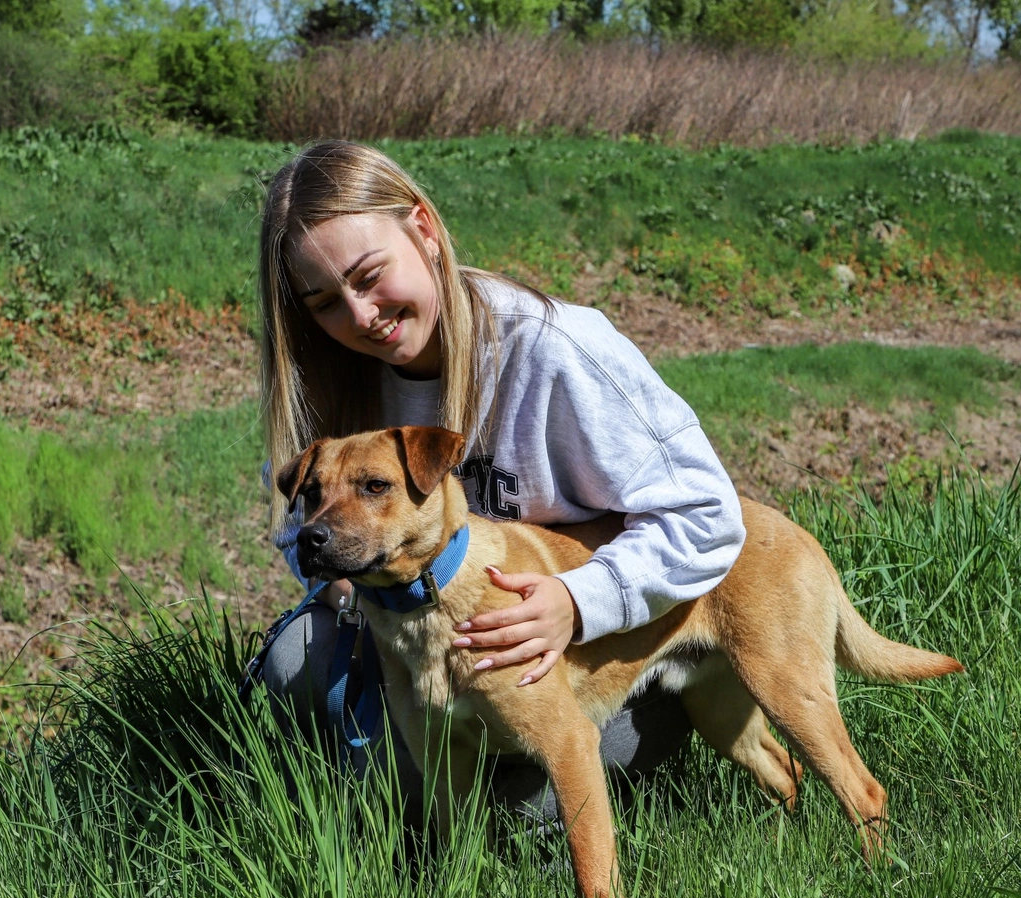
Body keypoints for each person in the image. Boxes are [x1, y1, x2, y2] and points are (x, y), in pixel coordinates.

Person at [255, 140, 746, 819]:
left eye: (369, 276)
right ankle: (381, 811)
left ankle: (640, 732)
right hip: (427, 647)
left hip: (595, 652)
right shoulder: (335, 378)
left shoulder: (557, 350)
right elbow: (300, 528)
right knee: (291, 664)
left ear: (423, 229)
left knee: (522, 808)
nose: (361, 316)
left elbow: (710, 515)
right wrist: (347, 580)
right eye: (325, 302)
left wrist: (579, 601)